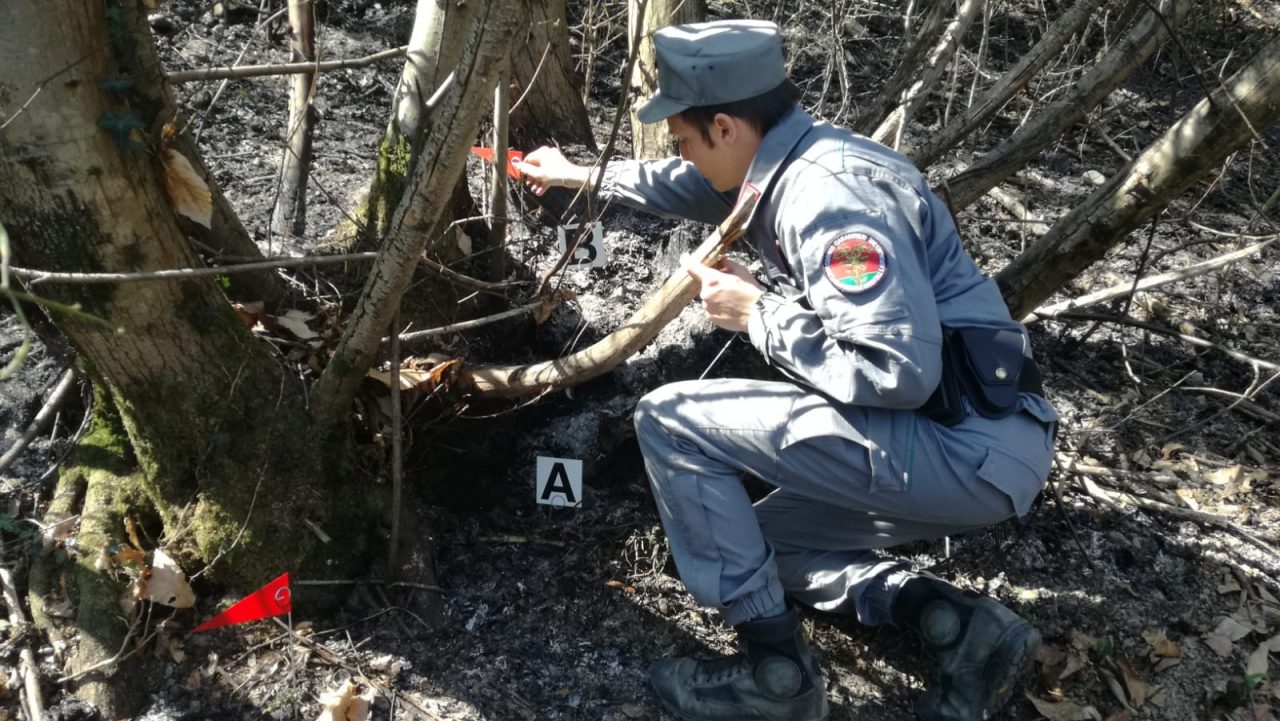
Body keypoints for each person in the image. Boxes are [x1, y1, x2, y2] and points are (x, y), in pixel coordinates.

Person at [516, 19, 1057, 721]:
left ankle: (776, 680)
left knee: (670, 421)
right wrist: (575, 174)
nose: (681, 155)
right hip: (971, 437)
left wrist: (757, 312)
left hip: (961, 444)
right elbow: (679, 185)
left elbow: (899, 372)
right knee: (754, 539)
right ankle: (955, 625)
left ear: (723, 128)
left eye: (683, 139)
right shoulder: (793, 157)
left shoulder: (832, 202)